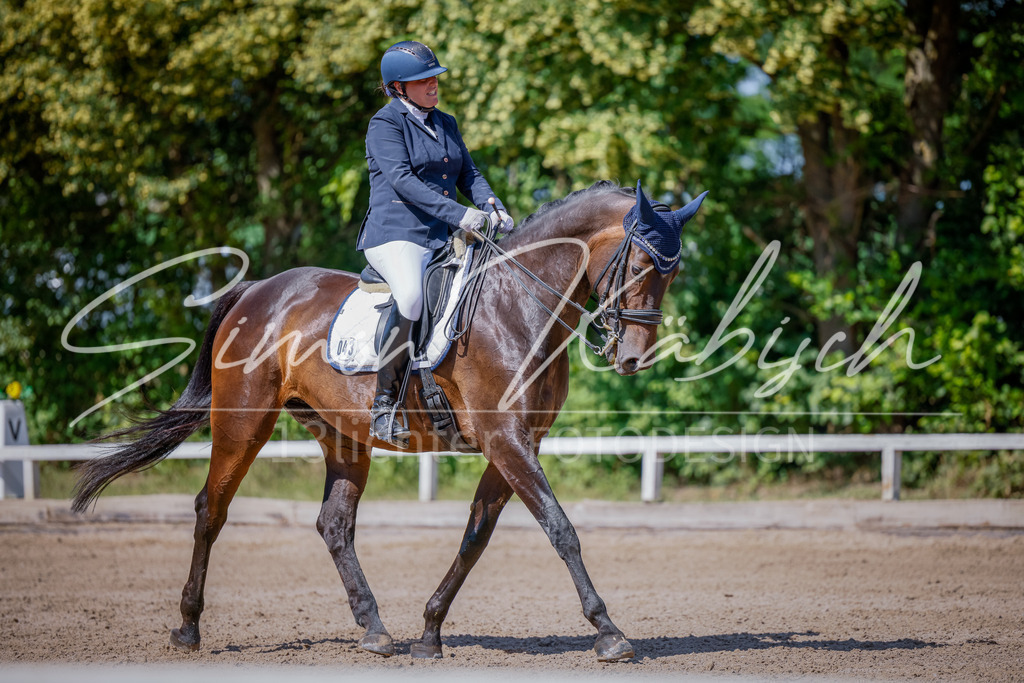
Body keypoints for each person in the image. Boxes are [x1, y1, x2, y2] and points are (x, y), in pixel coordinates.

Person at [357, 40, 513, 447]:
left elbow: (469, 174)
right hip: (396, 234)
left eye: (434, 78)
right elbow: (403, 181)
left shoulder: (445, 122)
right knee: (410, 298)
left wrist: (492, 206)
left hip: (441, 235)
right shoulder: (385, 124)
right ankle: (384, 405)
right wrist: (461, 215)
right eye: (422, 80)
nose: (433, 85)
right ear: (398, 88)